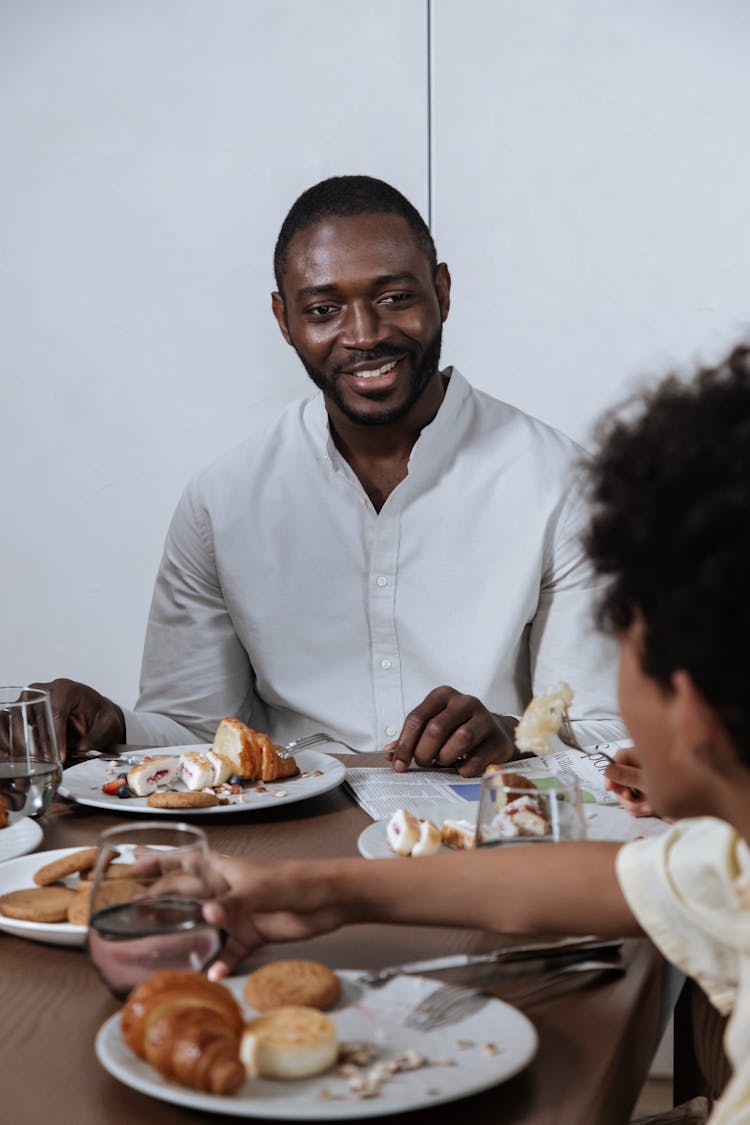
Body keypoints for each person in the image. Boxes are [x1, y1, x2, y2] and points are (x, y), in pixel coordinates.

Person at [198, 345, 750, 1125]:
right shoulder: (732, 862)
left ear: (686, 705)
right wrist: (316, 889)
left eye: (620, 643)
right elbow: (596, 883)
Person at [35, 175, 622, 774]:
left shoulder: (560, 483)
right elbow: (193, 734)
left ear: (442, 291)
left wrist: (513, 735)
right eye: (323, 310)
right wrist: (113, 725)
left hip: (484, 836)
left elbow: (610, 733)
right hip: (288, 842)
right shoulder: (223, 501)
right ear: (284, 319)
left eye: (395, 298)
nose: (365, 335)